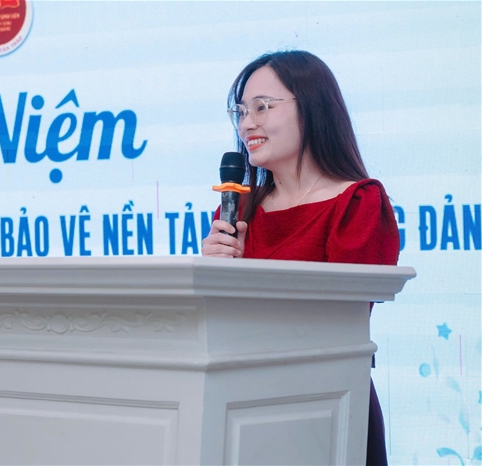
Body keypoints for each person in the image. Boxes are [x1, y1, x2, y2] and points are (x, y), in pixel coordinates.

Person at [201, 50, 399, 465]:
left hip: (326, 404)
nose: (247, 124)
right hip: (241, 401)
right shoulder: (239, 210)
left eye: (262, 107)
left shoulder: (357, 202)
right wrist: (213, 273)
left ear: (311, 109)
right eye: (241, 111)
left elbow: (339, 320)